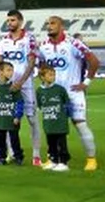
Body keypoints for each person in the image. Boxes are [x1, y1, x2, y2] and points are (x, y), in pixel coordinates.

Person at [39, 15, 98, 172]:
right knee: (52, 127)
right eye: (47, 24)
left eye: (53, 23)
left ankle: (91, 159)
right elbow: (42, 64)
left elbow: (94, 60)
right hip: (53, 94)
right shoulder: (43, 46)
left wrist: (85, 83)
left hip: (72, 92)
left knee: (80, 124)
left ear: (61, 26)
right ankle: (53, 158)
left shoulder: (73, 43)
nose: (49, 26)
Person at [0, 10, 40, 165]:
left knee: (32, 119)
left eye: (13, 20)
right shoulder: (3, 41)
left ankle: (36, 155)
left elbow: (31, 62)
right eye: (8, 20)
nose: (9, 23)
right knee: (8, 119)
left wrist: (21, 81)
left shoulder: (29, 39)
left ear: (21, 22)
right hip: (7, 86)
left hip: (25, 85)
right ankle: (10, 153)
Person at [36, 65, 71, 172]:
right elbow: (40, 105)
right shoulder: (39, 91)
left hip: (59, 122)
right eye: (50, 75)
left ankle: (63, 162)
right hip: (48, 122)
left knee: (61, 143)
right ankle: (53, 160)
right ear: (42, 77)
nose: (53, 77)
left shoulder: (60, 89)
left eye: (54, 75)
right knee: (51, 143)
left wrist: (66, 116)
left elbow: (67, 103)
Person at [0, 61, 24, 165]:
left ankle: (18, 156)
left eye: (12, 70)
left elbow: (19, 102)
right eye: (8, 70)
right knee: (0, 139)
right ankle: (2, 157)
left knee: (14, 138)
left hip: (11, 118)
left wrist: (17, 116)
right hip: (0, 118)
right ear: (0, 72)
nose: (11, 73)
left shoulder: (13, 87)